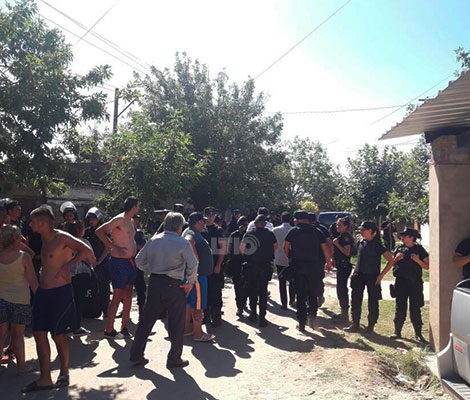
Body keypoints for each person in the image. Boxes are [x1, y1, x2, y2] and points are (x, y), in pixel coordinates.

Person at [22, 206, 95, 393]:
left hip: (60, 292)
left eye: (33, 221)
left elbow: (86, 249)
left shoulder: (61, 237)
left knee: (58, 335)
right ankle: (45, 378)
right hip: (43, 293)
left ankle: (64, 372)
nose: (30, 224)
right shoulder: (43, 239)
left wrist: (67, 266)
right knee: (39, 333)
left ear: (43, 223)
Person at [130, 212, 198, 368]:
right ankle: (174, 358)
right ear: (180, 227)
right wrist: (190, 282)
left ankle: (136, 354)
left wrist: (151, 269)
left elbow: (139, 260)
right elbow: (193, 264)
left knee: (146, 320)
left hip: (155, 282)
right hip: (174, 284)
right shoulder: (182, 243)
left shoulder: (154, 240)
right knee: (176, 322)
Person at [96, 196, 139, 340]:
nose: (139, 208)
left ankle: (124, 327)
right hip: (119, 262)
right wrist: (113, 246)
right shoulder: (119, 220)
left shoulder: (131, 221)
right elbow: (100, 231)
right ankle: (109, 329)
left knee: (128, 293)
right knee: (117, 294)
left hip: (130, 261)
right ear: (134, 206)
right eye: (138, 206)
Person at [284, 211, 332, 332]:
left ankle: (301, 323)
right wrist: (328, 262)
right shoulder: (317, 231)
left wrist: (290, 257)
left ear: (298, 219)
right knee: (312, 293)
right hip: (314, 267)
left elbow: (285, 247)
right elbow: (325, 247)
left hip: (298, 267)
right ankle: (312, 318)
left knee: (300, 295)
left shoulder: (293, 231)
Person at [0, 224, 38, 375]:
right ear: (16, 239)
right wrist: (41, 300)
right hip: (21, 300)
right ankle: (22, 367)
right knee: (17, 335)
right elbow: (33, 281)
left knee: (1, 334)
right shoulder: (24, 257)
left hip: (1, 299)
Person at [344, 221, 395, 334]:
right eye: (361, 229)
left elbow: (391, 261)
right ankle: (355, 324)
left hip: (373, 276)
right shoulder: (360, 242)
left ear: (371, 231)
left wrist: (381, 275)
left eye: (364, 229)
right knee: (355, 300)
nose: (361, 231)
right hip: (359, 275)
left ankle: (371, 325)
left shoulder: (378, 245)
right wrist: (354, 271)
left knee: (373, 302)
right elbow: (359, 258)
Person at [390, 227, 429, 342]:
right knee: (400, 307)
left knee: (415, 308)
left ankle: (418, 334)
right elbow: (392, 264)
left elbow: (427, 266)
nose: (402, 237)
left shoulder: (419, 250)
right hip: (401, 282)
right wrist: (396, 259)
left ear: (411, 237)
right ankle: (397, 331)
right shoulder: (399, 248)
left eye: (405, 235)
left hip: (414, 283)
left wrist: (418, 260)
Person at [182, 212, 215, 341]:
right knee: (198, 304)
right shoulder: (191, 233)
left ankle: (186, 328)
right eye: (203, 221)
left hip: (194, 275)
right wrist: (196, 261)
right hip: (197, 276)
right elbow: (189, 241)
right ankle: (198, 333)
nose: (204, 224)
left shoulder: (191, 232)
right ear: (198, 222)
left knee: (189, 303)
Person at [240, 214, 277, 327]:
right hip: (265, 266)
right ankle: (262, 318)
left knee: (252, 290)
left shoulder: (249, 234)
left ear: (255, 224)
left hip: (252, 266)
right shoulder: (270, 234)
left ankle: (253, 314)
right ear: (265, 224)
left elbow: (241, 249)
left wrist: (248, 256)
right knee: (263, 292)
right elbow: (276, 247)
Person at [63, 220, 94, 336]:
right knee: (79, 301)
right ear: (80, 230)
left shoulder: (64, 243)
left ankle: (66, 325)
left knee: (68, 300)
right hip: (82, 274)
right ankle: (76, 326)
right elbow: (92, 259)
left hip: (66, 274)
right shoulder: (84, 242)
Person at [202, 206, 226, 327]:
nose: (210, 217)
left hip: (215, 264)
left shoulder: (219, 230)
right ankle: (206, 316)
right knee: (204, 291)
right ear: (204, 215)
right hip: (203, 266)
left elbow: (223, 249)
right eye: (208, 215)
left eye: (212, 215)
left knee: (216, 291)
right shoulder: (201, 230)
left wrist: (218, 265)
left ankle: (216, 316)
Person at [83, 207, 110, 318]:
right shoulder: (87, 232)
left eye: (93, 219)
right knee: (92, 287)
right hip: (89, 263)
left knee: (104, 287)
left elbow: (107, 247)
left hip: (102, 263)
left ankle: (105, 310)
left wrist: (99, 261)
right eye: (90, 219)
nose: (91, 221)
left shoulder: (103, 231)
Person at [227, 216, 249, 316]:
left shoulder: (234, 234)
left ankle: (240, 305)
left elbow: (229, 248)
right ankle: (242, 303)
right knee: (245, 284)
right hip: (245, 262)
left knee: (238, 285)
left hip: (236, 261)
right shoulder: (248, 235)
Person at [333, 216, 354, 319]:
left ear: (345, 226)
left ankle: (344, 313)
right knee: (340, 288)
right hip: (340, 265)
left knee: (342, 289)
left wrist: (337, 244)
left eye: (339, 225)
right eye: (337, 224)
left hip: (344, 265)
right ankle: (343, 311)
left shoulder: (345, 237)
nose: (337, 226)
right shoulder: (341, 235)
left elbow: (347, 252)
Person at [272, 212, 295, 310]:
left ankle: (284, 303)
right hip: (291, 258)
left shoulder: (275, 230)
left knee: (282, 282)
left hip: (279, 258)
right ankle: (292, 300)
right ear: (291, 219)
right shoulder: (293, 230)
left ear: (281, 219)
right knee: (292, 281)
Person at [133, 215, 147, 316]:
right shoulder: (124, 232)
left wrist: (133, 246)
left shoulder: (139, 233)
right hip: (126, 262)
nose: (136, 222)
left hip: (137, 264)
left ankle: (141, 311)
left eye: (137, 220)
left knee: (140, 289)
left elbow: (143, 246)